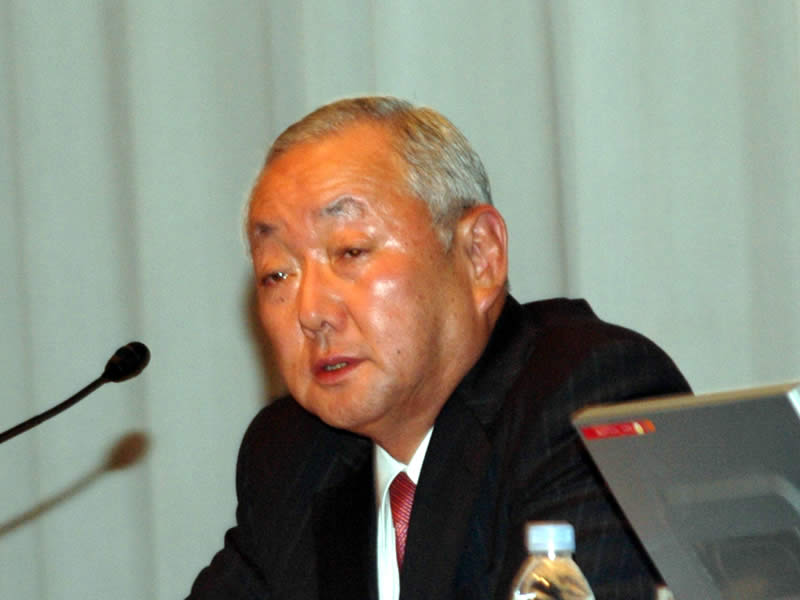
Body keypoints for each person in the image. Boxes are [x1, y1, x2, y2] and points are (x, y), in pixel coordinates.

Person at [188, 97, 690, 600]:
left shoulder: (587, 398)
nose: (312, 312)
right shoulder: (290, 455)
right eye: (277, 273)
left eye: (350, 251)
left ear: (480, 255)